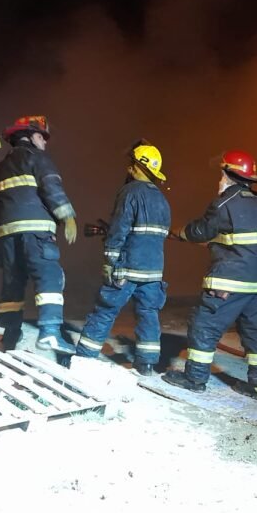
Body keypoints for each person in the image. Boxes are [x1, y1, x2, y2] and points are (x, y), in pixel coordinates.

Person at [162, 150, 257, 400]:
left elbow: (200, 232)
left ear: (228, 175)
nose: (219, 181)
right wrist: (249, 253)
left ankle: (194, 378)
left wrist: (179, 232)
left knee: (204, 325)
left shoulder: (224, 203)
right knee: (255, 331)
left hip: (228, 281)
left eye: (221, 175)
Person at [75, 141, 171, 376]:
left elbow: (119, 229)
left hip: (128, 267)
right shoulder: (162, 199)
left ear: (138, 166)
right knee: (149, 314)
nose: (128, 168)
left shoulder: (129, 193)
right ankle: (146, 364)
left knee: (105, 310)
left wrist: (110, 260)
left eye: (131, 163)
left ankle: (85, 358)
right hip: (154, 270)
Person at [0, 115, 77, 353]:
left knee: (12, 282)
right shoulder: (38, 158)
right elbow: (51, 186)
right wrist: (67, 216)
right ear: (30, 136)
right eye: (42, 137)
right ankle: (50, 333)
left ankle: (9, 335)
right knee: (49, 276)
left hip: (7, 236)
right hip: (36, 233)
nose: (45, 143)